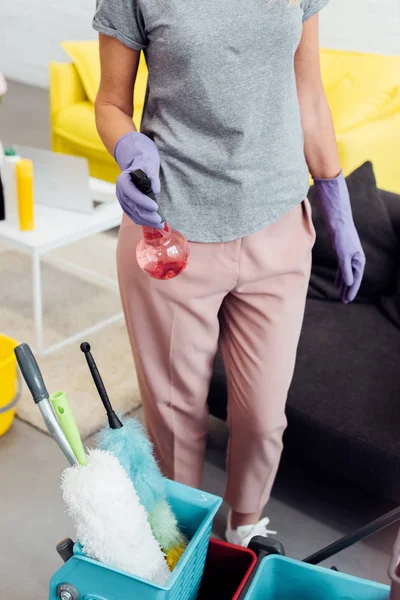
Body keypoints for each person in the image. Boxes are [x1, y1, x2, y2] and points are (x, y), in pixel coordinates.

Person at [93, 0, 366, 546]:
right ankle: (182, 541)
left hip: (279, 225)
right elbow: (110, 102)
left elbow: (308, 95)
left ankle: (244, 529)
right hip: (172, 233)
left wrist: (335, 195)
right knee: (175, 420)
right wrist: (129, 148)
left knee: (265, 416)